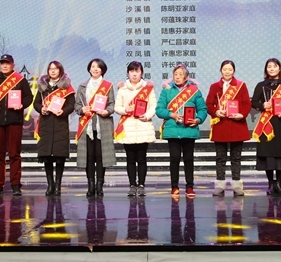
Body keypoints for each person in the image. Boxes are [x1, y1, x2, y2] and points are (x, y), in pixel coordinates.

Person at [0, 54, 33, 196]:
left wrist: (21, 104)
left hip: (14, 121)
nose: (4, 66)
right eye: (2, 63)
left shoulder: (20, 80)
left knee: (14, 154)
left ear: (13, 65)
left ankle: (15, 185)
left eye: (7, 63)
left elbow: (29, 97)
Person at [156, 63, 208, 198]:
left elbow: (203, 109)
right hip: (173, 130)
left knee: (188, 159)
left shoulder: (194, 91)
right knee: (174, 159)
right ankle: (174, 187)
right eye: (175, 74)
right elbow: (159, 110)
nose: (177, 77)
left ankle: (190, 187)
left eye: (180, 74)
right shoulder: (167, 90)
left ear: (186, 77)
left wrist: (198, 120)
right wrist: (171, 115)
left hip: (189, 130)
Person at [251, 58, 281, 196]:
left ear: (279, 69)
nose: (271, 69)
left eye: (274, 66)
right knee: (268, 154)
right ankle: (271, 183)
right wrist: (262, 105)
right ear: (266, 70)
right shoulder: (261, 86)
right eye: (269, 66)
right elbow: (254, 102)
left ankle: (279, 183)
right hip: (267, 123)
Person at [205, 60, 251, 196]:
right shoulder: (214, 87)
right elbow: (209, 104)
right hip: (221, 125)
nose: (227, 72)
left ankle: (237, 186)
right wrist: (216, 112)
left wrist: (241, 114)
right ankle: (220, 186)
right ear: (221, 71)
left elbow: (247, 103)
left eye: (230, 69)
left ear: (233, 71)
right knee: (220, 157)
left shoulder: (241, 86)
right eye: (225, 69)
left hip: (237, 125)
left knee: (236, 158)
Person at [74, 58, 116, 197]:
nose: (95, 69)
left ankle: (100, 185)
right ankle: (90, 185)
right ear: (89, 69)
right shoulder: (83, 86)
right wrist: (82, 110)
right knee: (89, 156)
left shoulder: (108, 86)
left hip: (102, 124)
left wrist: (107, 111)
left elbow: (112, 104)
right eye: (93, 66)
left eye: (98, 67)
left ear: (102, 70)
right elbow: (76, 105)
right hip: (87, 125)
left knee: (101, 156)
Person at [114, 61, 157, 197]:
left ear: (141, 73)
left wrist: (147, 115)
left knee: (142, 159)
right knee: (130, 159)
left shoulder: (148, 89)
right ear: (128, 73)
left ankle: (142, 185)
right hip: (128, 127)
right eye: (131, 71)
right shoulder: (122, 89)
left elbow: (153, 106)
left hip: (143, 125)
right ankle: (132, 185)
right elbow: (116, 107)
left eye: (137, 71)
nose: (134, 74)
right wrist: (124, 109)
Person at [33, 61, 76, 196]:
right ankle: (50, 185)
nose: (52, 71)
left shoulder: (66, 87)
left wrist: (63, 111)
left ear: (60, 71)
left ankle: (58, 186)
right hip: (45, 123)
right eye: (50, 69)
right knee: (47, 157)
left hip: (60, 123)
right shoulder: (42, 86)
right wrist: (41, 109)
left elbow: (72, 105)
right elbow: (36, 103)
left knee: (59, 156)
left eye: (55, 69)